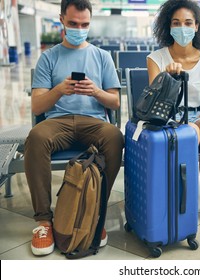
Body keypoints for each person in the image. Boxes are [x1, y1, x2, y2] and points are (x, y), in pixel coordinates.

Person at [25, 0, 124, 256]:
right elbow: (37, 106)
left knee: (115, 136)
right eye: (73, 23)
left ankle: (95, 211)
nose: (79, 28)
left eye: (84, 24)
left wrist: (96, 91)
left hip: (93, 122)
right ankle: (44, 221)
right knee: (36, 137)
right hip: (58, 122)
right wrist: (59, 90)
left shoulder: (102, 57)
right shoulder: (49, 58)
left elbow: (115, 101)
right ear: (62, 20)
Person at [147, 0, 200, 229]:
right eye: (176, 23)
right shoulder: (156, 59)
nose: (183, 27)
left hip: (198, 117)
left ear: (197, 26)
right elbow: (155, 104)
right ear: (168, 27)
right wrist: (167, 79)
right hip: (168, 119)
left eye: (188, 22)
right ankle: (184, 200)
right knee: (191, 134)